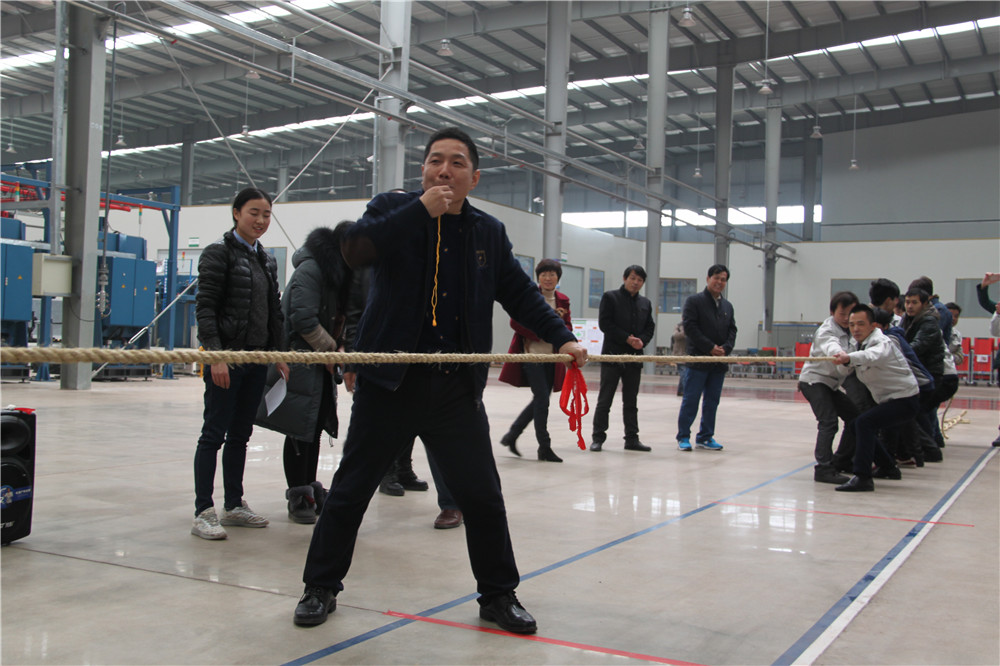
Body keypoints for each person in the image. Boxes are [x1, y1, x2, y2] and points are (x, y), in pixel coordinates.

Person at [293, 127, 587, 633]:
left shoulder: (487, 232)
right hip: (389, 383)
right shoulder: (393, 208)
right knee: (350, 490)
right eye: (434, 160)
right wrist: (419, 212)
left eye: (456, 162)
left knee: (482, 497)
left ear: (475, 177)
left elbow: (519, 294)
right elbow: (355, 251)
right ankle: (320, 587)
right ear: (423, 169)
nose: (443, 170)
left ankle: (498, 595)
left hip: (455, 389)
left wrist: (562, 337)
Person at [192, 187, 289, 540]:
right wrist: (216, 355)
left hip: (256, 360)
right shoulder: (218, 254)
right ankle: (203, 510)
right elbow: (205, 308)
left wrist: (279, 354)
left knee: (240, 435)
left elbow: (274, 311)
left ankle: (233, 505)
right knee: (213, 434)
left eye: (266, 214)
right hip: (227, 360)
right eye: (254, 213)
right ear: (236, 213)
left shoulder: (266, 259)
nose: (261, 220)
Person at [254, 222, 356, 524]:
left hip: (321, 362)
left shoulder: (342, 274)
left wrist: (340, 348)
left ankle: (310, 487)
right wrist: (331, 350)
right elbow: (303, 318)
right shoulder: (312, 270)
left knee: (314, 427)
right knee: (299, 430)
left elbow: (340, 318)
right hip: (301, 360)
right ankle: (298, 494)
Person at [832, 305, 917, 492]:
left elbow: (873, 356)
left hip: (905, 399)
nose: (855, 329)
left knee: (864, 423)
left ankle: (863, 477)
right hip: (888, 400)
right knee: (856, 425)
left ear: (873, 326)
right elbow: (845, 368)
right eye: (852, 325)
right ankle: (888, 468)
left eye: (861, 324)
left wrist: (849, 358)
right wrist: (844, 361)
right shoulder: (856, 345)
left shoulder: (882, 342)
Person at [498, 258, 574, 463]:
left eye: (552, 274)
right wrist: (542, 331)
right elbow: (515, 321)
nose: (548, 278)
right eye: (544, 274)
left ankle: (512, 435)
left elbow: (568, 326)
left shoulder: (563, 300)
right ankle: (544, 447)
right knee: (542, 399)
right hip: (531, 355)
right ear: (538, 277)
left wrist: (560, 328)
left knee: (541, 400)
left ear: (558, 278)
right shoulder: (531, 296)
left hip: (553, 357)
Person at [589, 265, 655, 452]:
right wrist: (626, 338)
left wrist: (642, 341)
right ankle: (598, 438)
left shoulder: (645, 303)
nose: (636, 282)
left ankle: (632, 439)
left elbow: (650, 327)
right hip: (613, 355)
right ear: (625, 278)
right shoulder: (610, 297)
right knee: (605, 400)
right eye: (632, 278)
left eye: (640, 280)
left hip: (634, 358)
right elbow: (605, 324)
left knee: (631, 401)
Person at [797, 291, 859, 484]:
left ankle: (843, 460)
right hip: (814, 381)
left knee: (855, 418)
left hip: (830, 383)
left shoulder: (852, 330)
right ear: (832, 312)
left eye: (850, 314)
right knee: (829, 422)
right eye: (842, 314)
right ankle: (823, 469)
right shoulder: (826, 330)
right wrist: (841, 355)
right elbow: (831, 346)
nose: (846, 318)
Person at [676, 264, 737, 452]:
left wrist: (725, 349)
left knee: (712, 402)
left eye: (723, 279)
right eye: (716, 278)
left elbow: (732, 330)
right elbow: (690, 327)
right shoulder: (694, 301)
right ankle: (683, 436)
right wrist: (710, 347)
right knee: (691, 400)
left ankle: (705, 437)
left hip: (718, 364)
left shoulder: (727, 306)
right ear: (708, 278)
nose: (719, 282)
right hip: (698, 361)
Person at [671, 322, 687, 396]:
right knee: (684, 373)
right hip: (679, 355)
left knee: (684, 374)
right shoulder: (679, 327)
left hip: (688, 356)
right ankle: (685, 391)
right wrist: (685, 331)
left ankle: (681, 391)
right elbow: (675, 336)